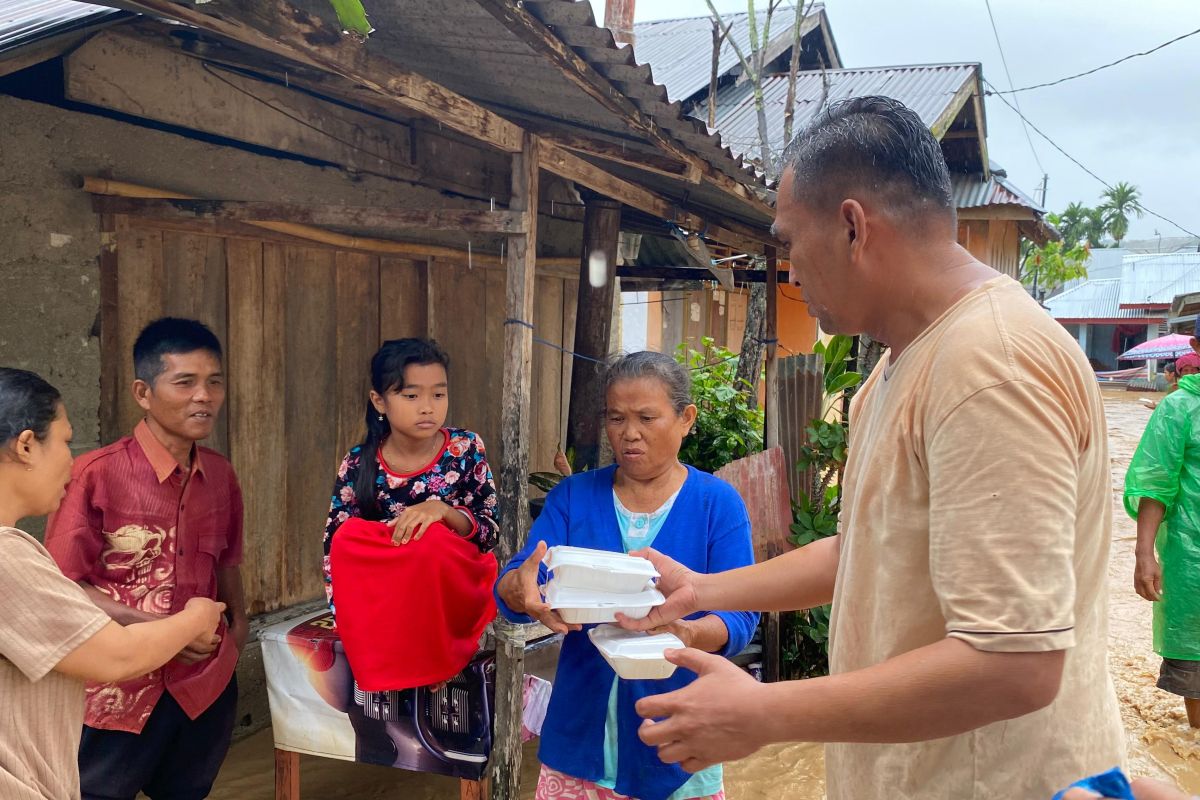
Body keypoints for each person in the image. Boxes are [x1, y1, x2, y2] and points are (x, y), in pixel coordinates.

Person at [619, 96, 1124, 799]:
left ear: (853, 227)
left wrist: (766, 711)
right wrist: (702, 591)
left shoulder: (990, 364)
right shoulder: (900, 361)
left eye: (793, 242)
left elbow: (1017, 662)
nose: (791, 271)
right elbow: (865, 547)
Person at [495, 351, 758, 800]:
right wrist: (520, 589)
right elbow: (518, 580)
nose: (629, 433)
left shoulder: (717, 504)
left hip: (678, 735)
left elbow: (740, 616)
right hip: (580, 737)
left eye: (647, 417)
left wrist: (685, 635)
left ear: (686, 419)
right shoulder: (574, 496)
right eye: (616, 418)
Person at [45, 318, 246, 800]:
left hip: (203, 687)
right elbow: (61, 586)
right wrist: (161, 633)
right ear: (143, 392)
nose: (204, 396)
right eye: (185, 382)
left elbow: (229, 564)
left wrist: (236, 636)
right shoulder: (96, 475)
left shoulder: (219, 475)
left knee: (188, 792)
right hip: (117, 690)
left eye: (214, 382)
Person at [0, 367, 223, 800]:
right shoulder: (6, 557)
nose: (71, 457)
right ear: (26, 445)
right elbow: (117, 657)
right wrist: (196, 617)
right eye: (64, 441)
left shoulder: (218, 476)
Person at [321, 337, 499, 761]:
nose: (428, 406)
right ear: (379, 401)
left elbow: (489, 531)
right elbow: (336, 546)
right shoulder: (359, 462)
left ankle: (439, 657)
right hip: (391, 590)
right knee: (350, 538)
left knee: (432, 539)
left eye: (439, 393)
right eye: (411, 394)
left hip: (450, 581)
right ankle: (386, 656)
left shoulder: (465, 449)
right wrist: (343, 612)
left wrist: (441, 511)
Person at [1125, 324, 1200, 729]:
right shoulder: (1178, 408)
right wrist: (1144, 553)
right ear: (1197, 346)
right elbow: (1156, 483)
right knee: (1195, 657)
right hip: (1192, 559)